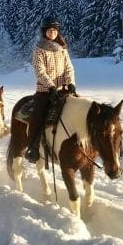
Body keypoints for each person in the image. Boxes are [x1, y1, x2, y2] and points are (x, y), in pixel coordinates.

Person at [25, 16, 76, 162]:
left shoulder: (62, 48)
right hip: (45, 91)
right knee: (39, 115)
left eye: (54, 30)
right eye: (49, 30)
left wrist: (71, 82)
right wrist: (51, 86)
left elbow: (68, 67)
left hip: (62, 89)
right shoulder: (38, 49)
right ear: (44, 32)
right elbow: (39, 71)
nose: (52, 33)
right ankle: (32, 148)